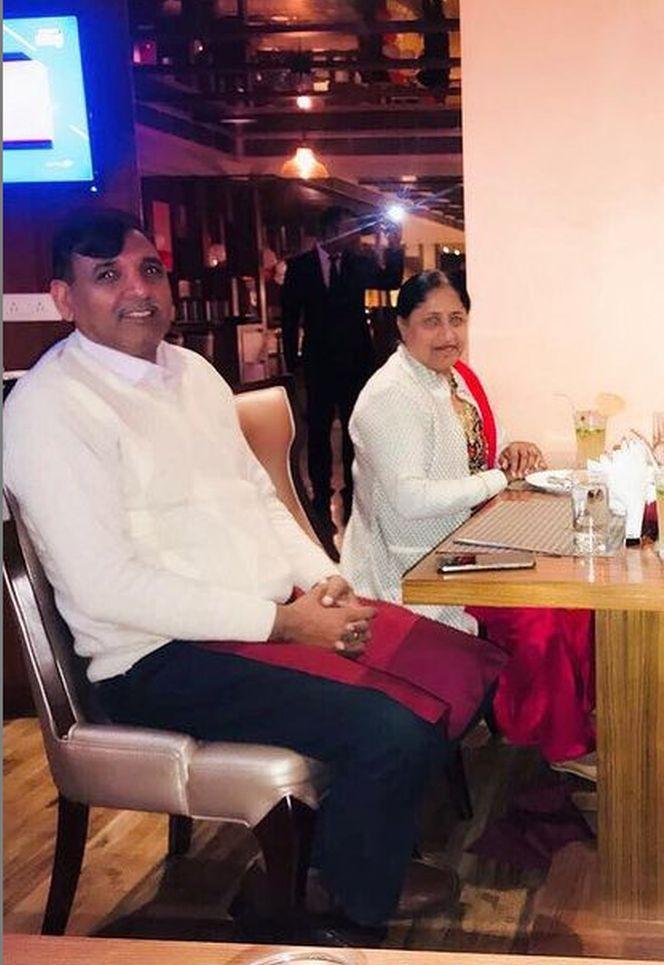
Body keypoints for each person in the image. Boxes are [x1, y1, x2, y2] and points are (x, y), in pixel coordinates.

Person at [3, 209, 501, 946]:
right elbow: (107, 587)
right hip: (158, 656)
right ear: (64, 299)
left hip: (267, 615)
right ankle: (321, 905)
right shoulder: (48, 408)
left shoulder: (193, 373)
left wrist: (326, 581)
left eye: (149, 270)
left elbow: (259, 500)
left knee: (458, 662)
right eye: (106, 275)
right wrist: (287, 622)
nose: (137, 290)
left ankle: (345, 852)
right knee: (392, 728)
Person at [340, 270, 598, 773]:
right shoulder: (391, 396)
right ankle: (557, 741)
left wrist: (509, 456)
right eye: (430, 321)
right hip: (414, 567)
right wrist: (498, 480)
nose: (447, 334)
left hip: (461, 542)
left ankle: (569, 722)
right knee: (538, 612)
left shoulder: (454, 379)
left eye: (456, 319)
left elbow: (463, 464)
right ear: (402, 327)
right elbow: (412, 500)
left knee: (571, 593)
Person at [281, 205, 404, 534]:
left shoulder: (358, 262)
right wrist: (292, 364)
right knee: (318, 433)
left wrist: (393, 245)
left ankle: (354, 493)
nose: (353, 234)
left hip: (356, 360)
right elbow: (290, 318)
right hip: (318, 362)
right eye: (348, 228)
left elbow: (390, 280)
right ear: (329, 231)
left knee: (354, 428)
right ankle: (320, 497)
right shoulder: (301, 268)